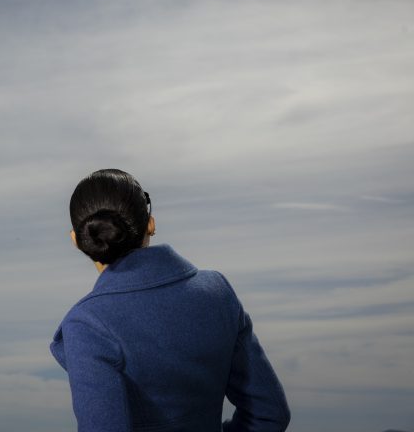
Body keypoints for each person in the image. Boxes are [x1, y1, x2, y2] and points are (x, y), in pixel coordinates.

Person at [50, 169, 290, 432]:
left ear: (76, 239)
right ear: (150, 224)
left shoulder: (86, 325)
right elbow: (270, 414)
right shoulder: (217, 292)